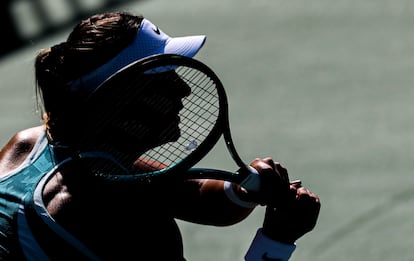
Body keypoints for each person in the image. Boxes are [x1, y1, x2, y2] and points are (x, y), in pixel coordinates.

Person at [0, 11, 320, 260]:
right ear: (117, 99)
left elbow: (186, 194)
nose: (184, 89)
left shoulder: (31, 145)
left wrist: (244, 191)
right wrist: (277, 240)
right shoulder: (121, 215)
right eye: (163, 79)